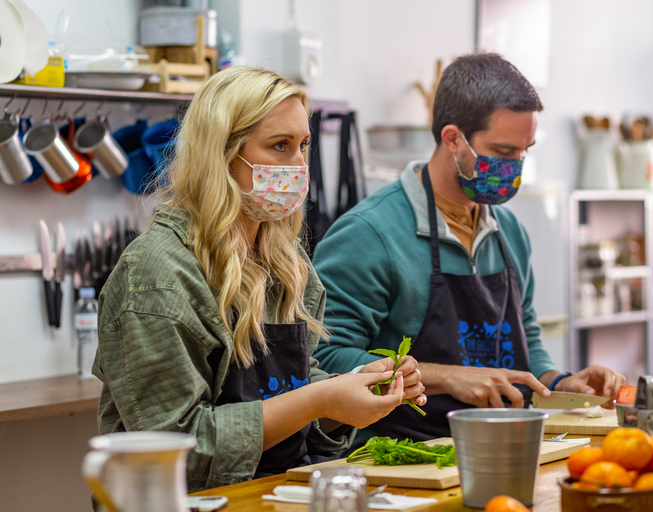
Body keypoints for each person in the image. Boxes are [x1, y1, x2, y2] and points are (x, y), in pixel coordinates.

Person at [92, 66, 426, 492]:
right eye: (280, 146)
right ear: (222, 155)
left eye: (303, 146)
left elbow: (295, 383)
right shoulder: (156, 276)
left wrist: (349, 392)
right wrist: (320, 399)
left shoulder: (284, 261)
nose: (299, 165)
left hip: (276, 493)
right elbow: (175, 449)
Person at [312, 53, 625, 442]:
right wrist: (446, 377)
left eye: (524, 151)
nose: (515, 167)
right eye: (503, 152)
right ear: (453, 138)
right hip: (404, 457)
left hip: (504, 445)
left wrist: (560, 383)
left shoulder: (509, 231)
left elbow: (524, 342)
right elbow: (324, 361)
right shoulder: (369, 233)